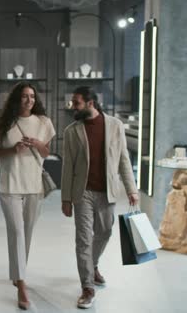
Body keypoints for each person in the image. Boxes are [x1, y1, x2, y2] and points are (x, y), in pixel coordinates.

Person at [61, 86, 138, 309]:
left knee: (105, 232)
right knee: (83, 239)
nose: (72, 107)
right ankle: (87, 287)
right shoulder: (71, 131)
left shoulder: (115, 126)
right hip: (82, 191)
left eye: (76, 103)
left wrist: (131, 189)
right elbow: (68, 167)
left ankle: (92, 265)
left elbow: (123, 159)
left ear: (90, 103)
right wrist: (66, 198)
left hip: (107, 191)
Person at [0, 82, 55, 310]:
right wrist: (13, 150)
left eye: (32, 96)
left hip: (34, 186)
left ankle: (18, 273)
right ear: (16, 99)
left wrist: (37, 144)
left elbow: (47, 153)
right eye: (25, 96)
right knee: (17, 232)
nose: (29, 100)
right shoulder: (3, 124)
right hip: (9, 186)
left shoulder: (44, 123)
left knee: (26, 232)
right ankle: (22, 285)